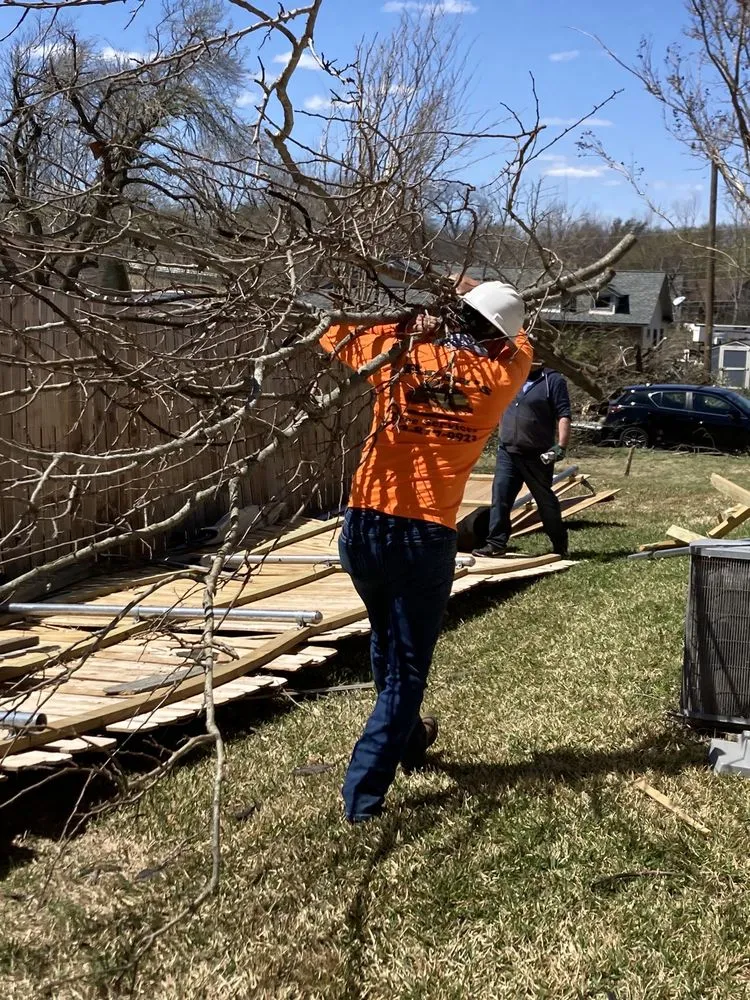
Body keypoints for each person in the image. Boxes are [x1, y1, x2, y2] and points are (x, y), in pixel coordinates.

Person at [319, 280, 532, 823]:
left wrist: (425, 311)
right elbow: (520, 341)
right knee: (407, 666)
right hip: (425, 534)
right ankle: (363, 796)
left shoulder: (403, 351)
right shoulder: (502, 376)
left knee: (388, 638)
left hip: (365, 523)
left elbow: (330, 325)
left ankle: (408, 738)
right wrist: (466, 302)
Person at [473, 355, 571, 559]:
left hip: (537, 453)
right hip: (508, 451)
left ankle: (559, 544)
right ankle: (496, 543)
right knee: (500, 496)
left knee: (544, 500)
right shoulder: (511, 376)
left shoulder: (552, 380)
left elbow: (564, 414)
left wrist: (560, 446)